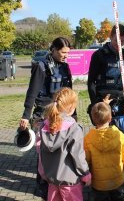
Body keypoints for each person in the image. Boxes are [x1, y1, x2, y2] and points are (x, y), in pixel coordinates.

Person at [19, 37, 74, 199]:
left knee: (59, 151)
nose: (66, 56)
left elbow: (68, 94)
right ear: (54, 50)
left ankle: (55, 182)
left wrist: (74, 113)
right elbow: (32, 92)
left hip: (62, 114)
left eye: (68, 53)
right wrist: (26, 115)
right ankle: (41, 185)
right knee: (44, 152)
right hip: (43, 114)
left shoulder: (65, 67)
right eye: (63, 52)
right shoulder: (41, 67)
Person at [38, 87, 91, 201]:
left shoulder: (44, 126)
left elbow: (41, 152)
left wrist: (43, 172)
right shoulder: (74, 128)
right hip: (70, 181)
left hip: (51, 179)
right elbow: (78, 155)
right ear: (72, 107)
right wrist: (85, 173)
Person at [84, 102, 124, 201]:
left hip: (98, 183)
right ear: (110, 118)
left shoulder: (88, 138)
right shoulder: (119, 135)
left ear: (93, 120)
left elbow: (86, 161)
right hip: (117, 180)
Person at [87, 24, 124, 119]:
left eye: (122, 41)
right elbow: (91, 81)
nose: (119, 44)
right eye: (116, 41)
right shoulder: (98, 55)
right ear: (110, 37)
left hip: (121, 100)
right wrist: (94, 104)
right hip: (103, 101)